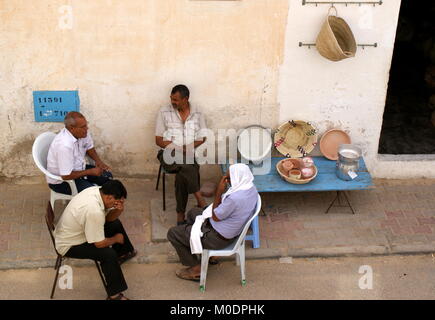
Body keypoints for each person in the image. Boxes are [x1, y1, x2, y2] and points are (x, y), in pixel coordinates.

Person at [167, 163, 259, 281]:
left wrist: (218, 192)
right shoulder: (251, 188)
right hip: (232, 232)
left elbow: (215, 216)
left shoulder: (235, 199)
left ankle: (196, 269)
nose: (226, 181)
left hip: (217, 238)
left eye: (228, 178)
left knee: (173, 233)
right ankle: (205, 251)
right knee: (193, 213)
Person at [54, 180, 136, 300]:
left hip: (77, 231)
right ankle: (114, 296)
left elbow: (108, 219)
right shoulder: (94, 210)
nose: (117, 204)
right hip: (69, 244)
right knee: (108, 254)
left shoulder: (97, 191)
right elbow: (99, 244)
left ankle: (123, 254)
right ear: (109, 197)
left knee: (115, 223)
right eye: (117, 201)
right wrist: (115, 239)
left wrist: (119, 210)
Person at [155, 84, 208, 225]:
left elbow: (202, 137)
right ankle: (200, 200)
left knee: (182, 173)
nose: (173, 102)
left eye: (176, 100)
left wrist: (188, 147)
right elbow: (159, 140)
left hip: (188, 154)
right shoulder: (164, 111)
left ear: (186, 99)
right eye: (172, 99)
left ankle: (180, 216)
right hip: (168, 154)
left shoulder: (198, 112)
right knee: (189, 166)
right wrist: (178, 148)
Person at [47, 111, 113, 195]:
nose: (87, 128)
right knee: (93, 193)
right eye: (83, 127)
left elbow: (89, 147)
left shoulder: (83, 133)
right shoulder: (64, 145)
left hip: (78, 169)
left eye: (86, 125)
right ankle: (92, 203)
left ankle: (106, 202)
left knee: (107, 176)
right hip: (62, 182)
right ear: (72, 128)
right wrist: (90, 172)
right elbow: (66, 176)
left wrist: (99, 162)